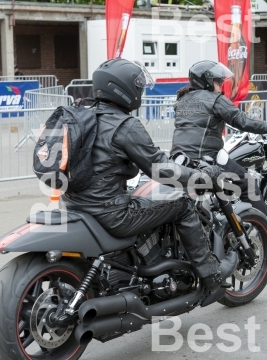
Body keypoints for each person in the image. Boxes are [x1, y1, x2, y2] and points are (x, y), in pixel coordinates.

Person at [61, 58, 237, 293]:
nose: (140, 90)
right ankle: (210, 275)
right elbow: (162, 170)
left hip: (74, 205)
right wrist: (202, 175)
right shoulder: (125, 125)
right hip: (111, 213)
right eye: (138, 86)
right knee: (182, 204)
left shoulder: (82, 117)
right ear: (124, 89)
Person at [171, 60, 267, 249]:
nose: (220, 85)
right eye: (218, 82)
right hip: (207, 158)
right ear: (207, 82)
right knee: (249, 185)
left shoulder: (182, 101)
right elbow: (244, 122)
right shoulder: (215, 100)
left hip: (178, 159)